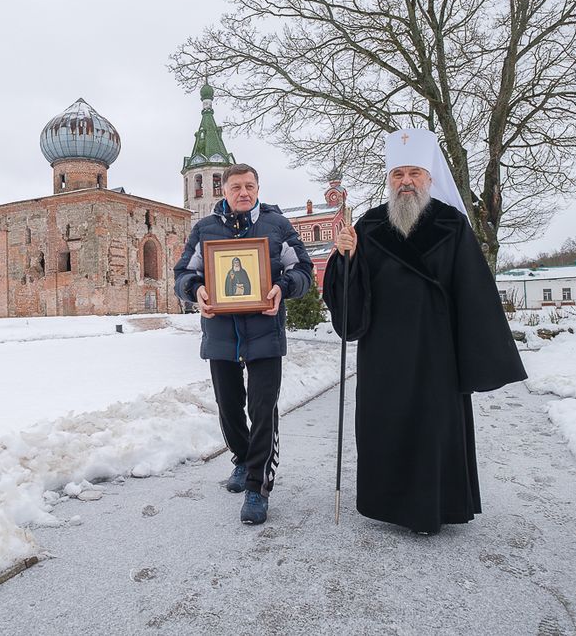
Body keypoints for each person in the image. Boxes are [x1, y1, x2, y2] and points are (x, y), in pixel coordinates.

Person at [323, 129, 527, 535]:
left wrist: (473, 353)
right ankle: (388, 504)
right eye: (398, 174)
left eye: (414, 173)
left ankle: (433, 507)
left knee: (433, 428)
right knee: (386, 425)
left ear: (429, 178)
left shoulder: (452, 224)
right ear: (389, 180)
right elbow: (350, 288)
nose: (406, 182)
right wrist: (345, 257)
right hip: (383, 350)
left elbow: (473, 292)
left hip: (437, 350)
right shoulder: (370, 224)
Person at [174, 163, 313, 525]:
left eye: (250, 186)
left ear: (258, 188)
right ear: (224, 190)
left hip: (265, 332)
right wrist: (195, 291)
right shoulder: (205, 229)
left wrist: (283, 287)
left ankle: (257, 485)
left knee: (263, 409)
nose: (243, 192)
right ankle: (242, 458)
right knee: (229, 407)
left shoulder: (276, 226)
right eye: (236, 187)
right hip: (221, 334)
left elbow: (303, 269)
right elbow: (184, 273)